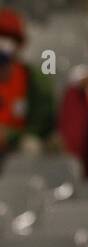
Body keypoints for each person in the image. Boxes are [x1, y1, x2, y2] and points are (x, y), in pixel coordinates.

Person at [0, 8, 55, 154]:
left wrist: (11, 136)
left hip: (19, 155)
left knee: (31, 146)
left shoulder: (34, 79)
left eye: (7, 38)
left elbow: (43, 125)